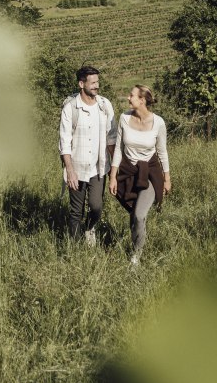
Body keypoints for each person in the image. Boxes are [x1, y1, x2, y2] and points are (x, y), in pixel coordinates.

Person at [109, 86, 171, 266]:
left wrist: (167, 178)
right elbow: (119, 150)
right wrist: (113, 176)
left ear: (142, 100)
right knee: (133, 213)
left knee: (139, 214)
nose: (128, 98)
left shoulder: (158, 122)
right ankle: (136, 242)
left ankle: (136, 256)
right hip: (128, 172)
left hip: (150, 174)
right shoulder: (124, 118)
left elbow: (162, 152)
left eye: (132, 95)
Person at [59, 65, 117, 245]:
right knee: (76, 212)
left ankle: (90, 227)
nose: (96, 86)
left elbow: (111, 138)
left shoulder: (104, 105)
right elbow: (64, 142)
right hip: (76, 168)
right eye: (92, 83)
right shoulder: (70, 108)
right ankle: (75, 250)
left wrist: (113, 171)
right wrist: (70, 171)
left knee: (96, 206)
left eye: (97, 82)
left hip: (98, 168)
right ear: (81, 84)